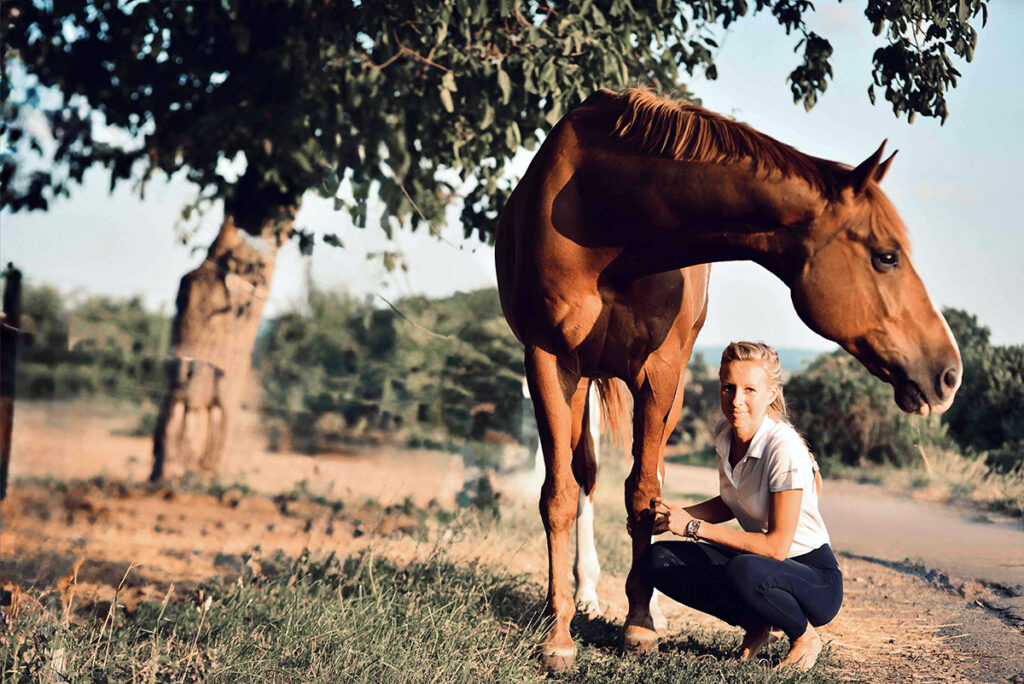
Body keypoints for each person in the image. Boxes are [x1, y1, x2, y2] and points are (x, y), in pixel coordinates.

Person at [643, 341, 842, 671]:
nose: (736, 400)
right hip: (762, 566)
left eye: (750, 389)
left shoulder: (784, 448)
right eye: (728, 387)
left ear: (771, 394)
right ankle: (759, 622)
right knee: (658, 559)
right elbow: (731, 501)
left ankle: (804, 636)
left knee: (744, 570)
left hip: (812, 577)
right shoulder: (726, 432)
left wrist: (694, 528)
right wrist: (675, 517)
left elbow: (776, 547)